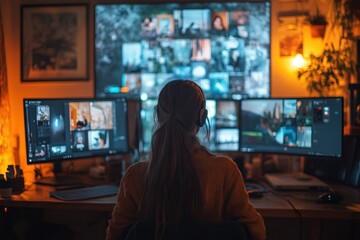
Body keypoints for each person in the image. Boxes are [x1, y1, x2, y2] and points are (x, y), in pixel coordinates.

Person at [106, 80, 266, 240]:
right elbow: (256, 232)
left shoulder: (135, 175)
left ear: (158, 115)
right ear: (202, 117)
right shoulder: (225, 170)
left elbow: (115, 236)